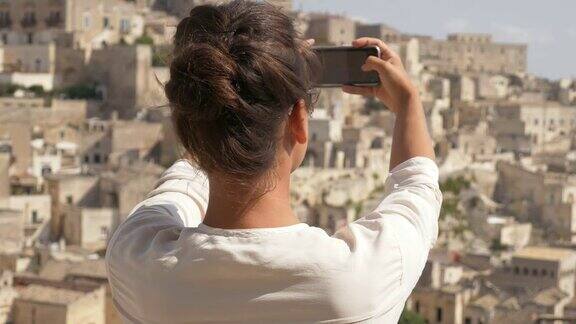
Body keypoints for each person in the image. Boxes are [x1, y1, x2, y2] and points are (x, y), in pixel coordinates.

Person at [105, 1, 442, 323]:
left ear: (189, 125)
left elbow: (178, 190)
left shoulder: (136, 262)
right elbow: (416, 186)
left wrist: (211, 109)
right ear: (299, 119)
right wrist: (408, 102)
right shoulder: (358, 282)